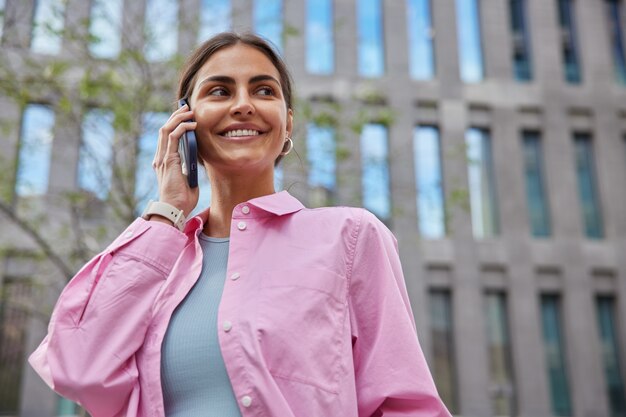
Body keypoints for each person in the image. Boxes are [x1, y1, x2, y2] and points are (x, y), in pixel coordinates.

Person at [29, 32, 451, 417]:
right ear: (185, 123)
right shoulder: (155, 262)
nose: (243, 103)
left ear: (287, 123)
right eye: (219, 91)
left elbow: (405, 405)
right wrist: (167, 211)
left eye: (263, 90)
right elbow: (76, 369)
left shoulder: (352, 237)